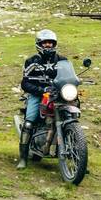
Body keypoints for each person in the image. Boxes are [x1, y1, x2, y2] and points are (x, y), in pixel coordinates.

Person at [17, 28, 65, 169]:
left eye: (51, 42)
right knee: (29, 123)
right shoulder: (32, 61)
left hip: (59, 95)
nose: (48, 45)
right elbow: (25, 83)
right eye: (45, 43)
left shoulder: (62, 60)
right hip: (39, 95)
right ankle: (23, 158)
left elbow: (70, 76)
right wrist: (41, 90)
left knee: (70, 117)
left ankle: (79, 155)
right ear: (39, 44)